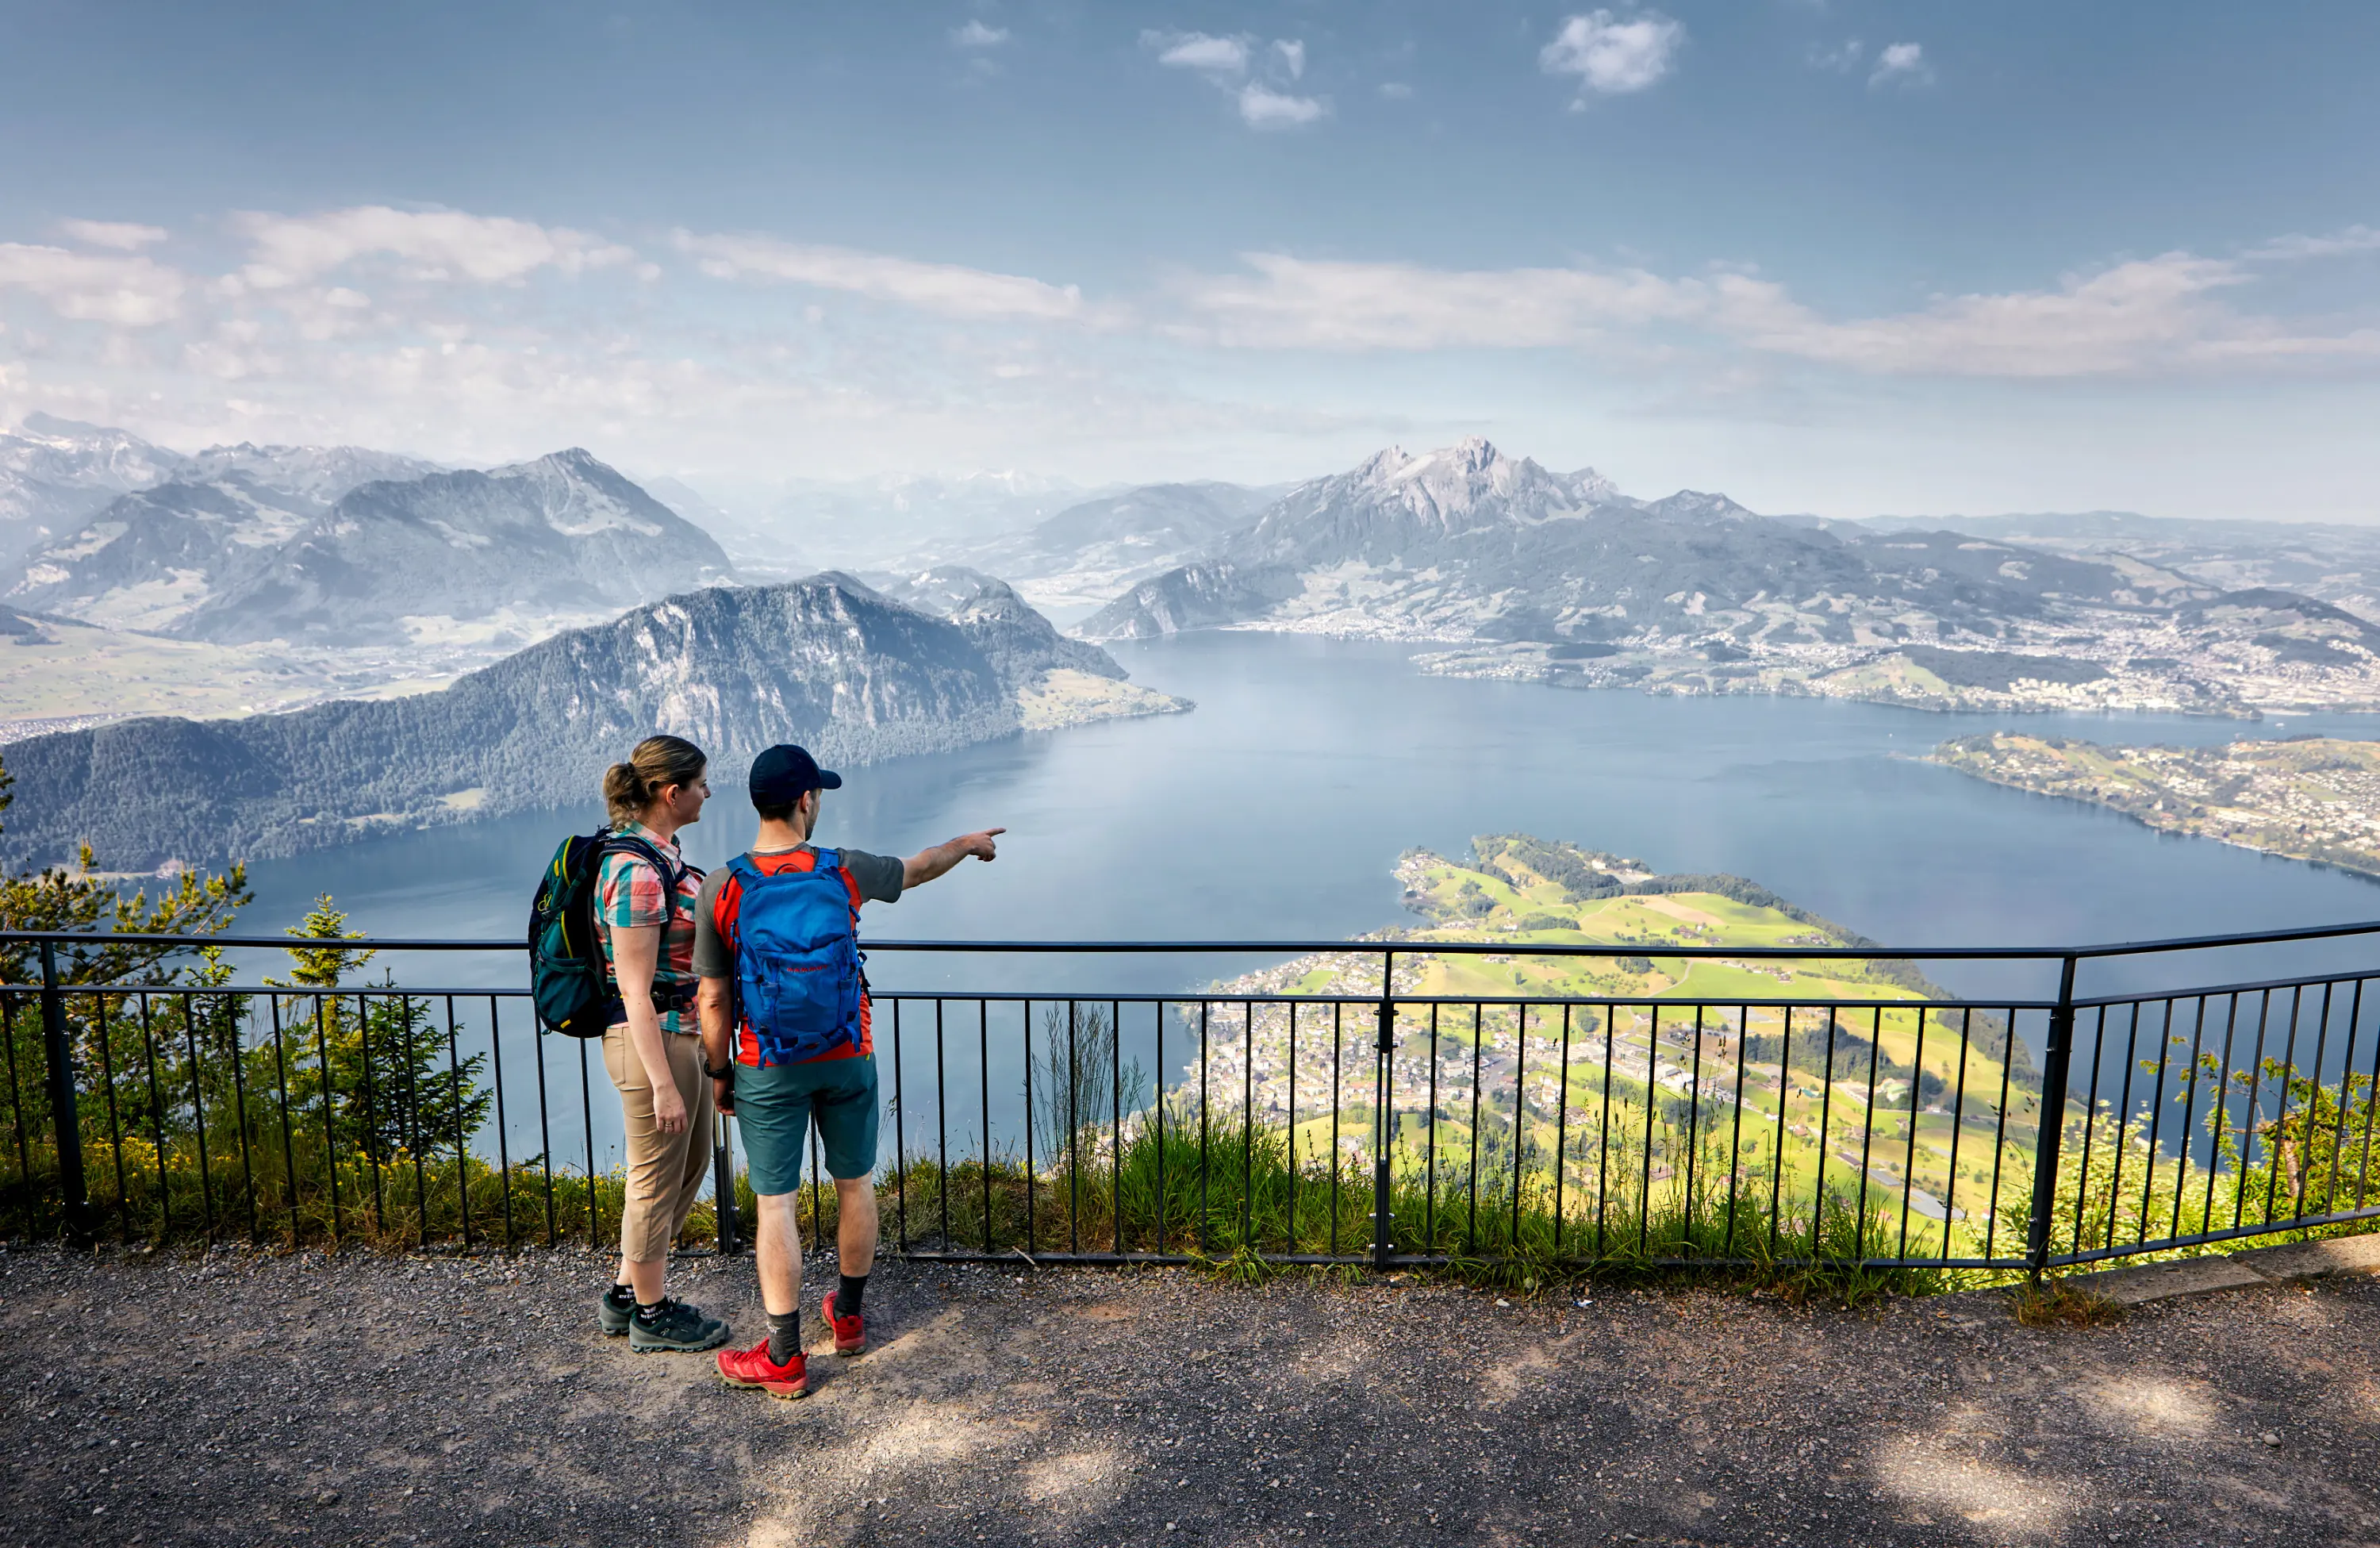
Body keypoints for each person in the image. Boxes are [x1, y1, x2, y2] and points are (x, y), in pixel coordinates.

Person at [697, 743, 1004, 1399]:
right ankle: (850, 1317)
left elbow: (715, 998)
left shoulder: (723, 887)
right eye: (818, 795)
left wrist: (719, 1072)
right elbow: (919, 868)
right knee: (854, 1184)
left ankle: (783, 1356)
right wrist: (967, 841)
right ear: (806, 800)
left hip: (766, 1064)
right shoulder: (843, 870)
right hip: (847, 1053)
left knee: (775, 1202)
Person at [592, 734, 733, 1354]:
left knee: (690, 1165)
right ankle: (650, 1312)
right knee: (653, 1180)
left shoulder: (663, 855)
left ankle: (626, 1291)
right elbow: (633, 990)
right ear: (671, 793)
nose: (708, 792)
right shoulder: (635, 873)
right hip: (652, 1044)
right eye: (701, 783)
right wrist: (662, 1084)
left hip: (681, 1038)